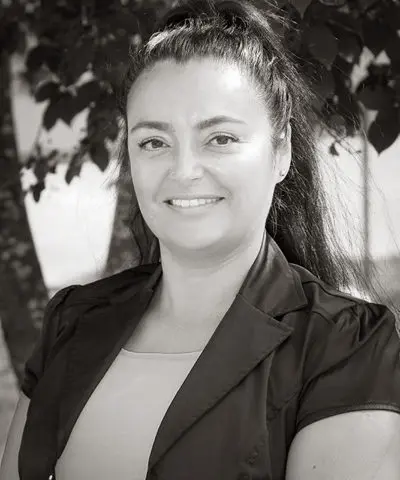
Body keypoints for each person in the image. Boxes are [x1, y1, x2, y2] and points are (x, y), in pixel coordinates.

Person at [1, 0, 400, 478]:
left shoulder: (347, 347)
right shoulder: (72, 321)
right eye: (154, 142)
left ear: (281, 152)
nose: (184, 170)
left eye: (220, 138)